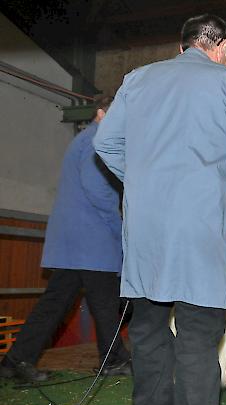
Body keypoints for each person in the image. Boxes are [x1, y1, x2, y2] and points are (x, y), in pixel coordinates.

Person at [93, 14, 226, 405]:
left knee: (149, 328)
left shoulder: (137, 79)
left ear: (182, 45)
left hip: (147, 228)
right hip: (201, 226)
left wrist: (140, 178)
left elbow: (105, 142)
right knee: (197, 332)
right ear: (220, 46)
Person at [0, 96, 131, 382]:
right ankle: (112, 359)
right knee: (106, 301)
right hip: (92, 238)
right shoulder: (98, 141)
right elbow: (98, 189)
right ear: (101, 113)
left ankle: (15, 360)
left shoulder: (85, 140)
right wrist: (118, 227)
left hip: (75, 241)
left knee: (59, 302)